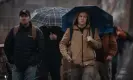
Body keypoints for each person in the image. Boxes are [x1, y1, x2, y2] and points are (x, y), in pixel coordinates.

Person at [59, 11, 101, 80]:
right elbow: (62, 43)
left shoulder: (93, 30)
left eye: (85, 17)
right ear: (77, 18)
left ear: (87, 19)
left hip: (89, 63)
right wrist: (66, 55)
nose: (82, 18)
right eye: (80, 16)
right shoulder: (70, 30)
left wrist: (92, 41)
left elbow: (99, 45)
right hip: (74, 64)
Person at [4, 9, 44, 80]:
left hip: (31, 66)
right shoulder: (14, 30)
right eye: (22, 16)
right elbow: (7, 46)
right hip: (17, 65)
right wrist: (12, 59)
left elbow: (41, 49)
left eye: (26, 16)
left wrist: (34, 61)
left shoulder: (36, 31)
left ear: (29, 17)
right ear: (19, 18)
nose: (24, 18)